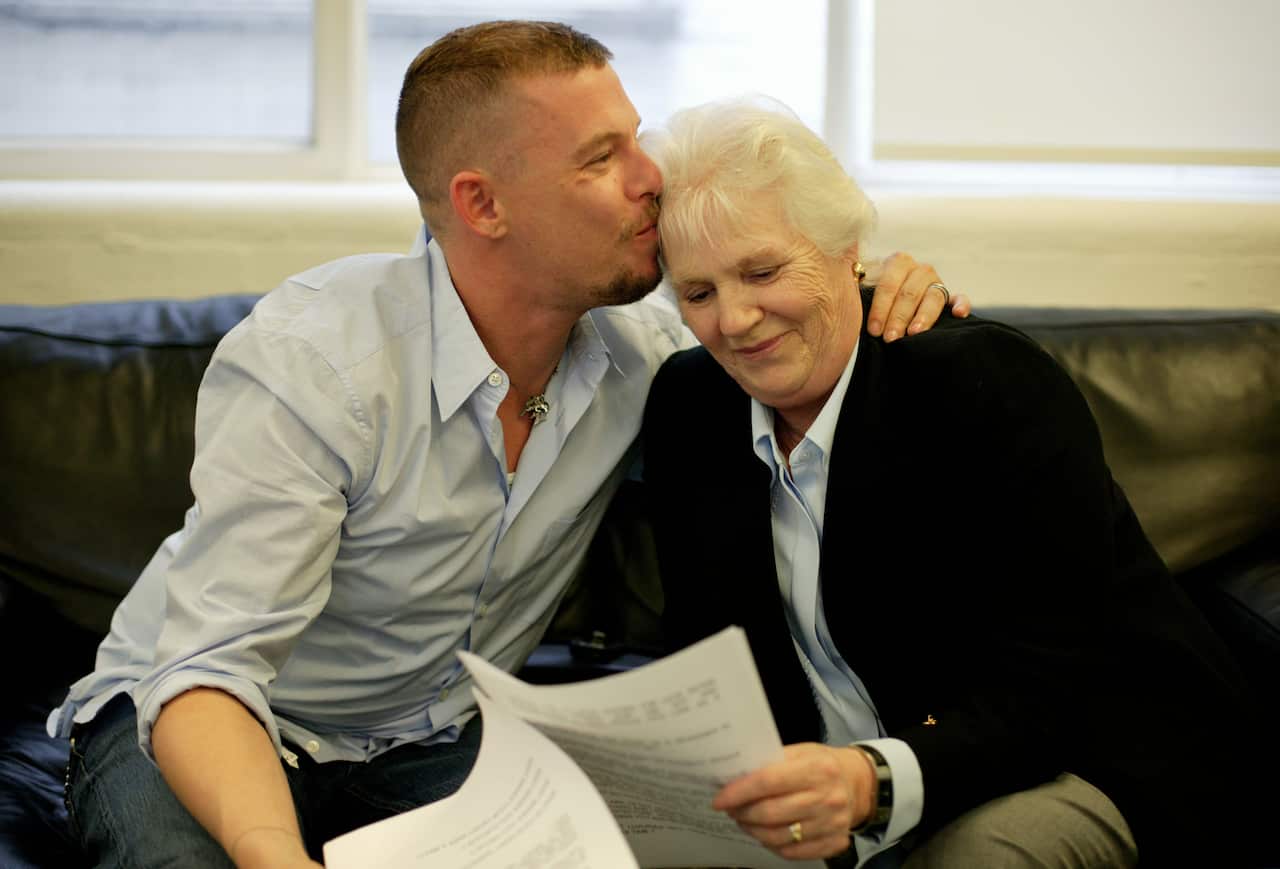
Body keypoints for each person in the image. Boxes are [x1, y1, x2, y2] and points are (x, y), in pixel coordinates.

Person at [48, 21, 963, 869]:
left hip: (443, 742)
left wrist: (875, 282)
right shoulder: (318, 364)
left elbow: (790, 319)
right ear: (482, 204)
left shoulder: (648, 355)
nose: (650, 177)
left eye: (635, 139)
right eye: (601, 158)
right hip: (207, 725)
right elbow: (208, 672)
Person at [640, 96, 1273, 868]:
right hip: (831, 793)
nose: (735, 318)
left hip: (1083, 754)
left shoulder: (982, 384)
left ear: (846, 251)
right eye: (699, 293)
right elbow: (707, 659)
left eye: (763, 271)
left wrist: (874, 779)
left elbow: (1053, 683)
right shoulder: (690, 405)